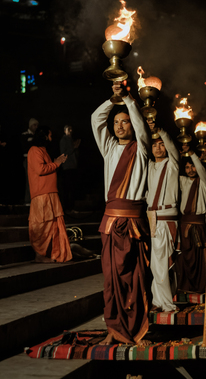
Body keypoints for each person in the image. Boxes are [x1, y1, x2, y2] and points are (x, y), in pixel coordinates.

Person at [91, 83, 152, 345]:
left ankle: (139, 330)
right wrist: (112, 99)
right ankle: (113, 329)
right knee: (111, 281)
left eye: (124, 122)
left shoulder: (142, 149)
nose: (119, 126)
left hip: (133, 224)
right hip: (110, 223)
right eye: (116, 122)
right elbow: (96, 119)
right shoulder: (109, 149)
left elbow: (141, 125)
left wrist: (128, 99)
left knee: (137, 279)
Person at [146, 123, 179, 312]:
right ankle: (158, 300)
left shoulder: (172, 163)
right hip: (152, 217)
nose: (159, 148)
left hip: (166, 217)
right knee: (155, 264)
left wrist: (160, 130)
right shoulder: (150, 166)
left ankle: (165, 302)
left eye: (161, 144)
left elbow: (172, 147)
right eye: (155, 145)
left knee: (163, 261)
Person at [27, 126, 72, 263]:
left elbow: (47, 167)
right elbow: (40, 169)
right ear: (44, 136)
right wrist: (56, 164)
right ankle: (40, 255)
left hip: (50, 192)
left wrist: (55, 163)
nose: (51, 139)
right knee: (42, 226)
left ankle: (54, 253)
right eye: (50, 136)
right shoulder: (34, 150)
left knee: (53, 226)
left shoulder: (43, 150)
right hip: (42, 193)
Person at [176, 145, 206, 293]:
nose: (190, 170)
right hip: (184, 224)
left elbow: (202, 170)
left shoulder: (203, 183)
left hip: (197, 224)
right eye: (188, 167)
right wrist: (181, 156)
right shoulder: (183, 181)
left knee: (198, 257)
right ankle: (186, 287)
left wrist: (192, 153)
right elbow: (173, 170)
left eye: (193, 167)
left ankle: (199, 287)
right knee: (185, 257)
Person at [59, 125, 81, 211]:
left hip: (73, 166)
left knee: (72, 188)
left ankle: (71, 207)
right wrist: (74, 147)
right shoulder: (63, 140)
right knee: (67, 188)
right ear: (64, 131)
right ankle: (67, 208)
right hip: (67, 167)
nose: (70, 131)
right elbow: (63, 153)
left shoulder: (71, 139)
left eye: (71, 129)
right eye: (68, 129)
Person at [21, 118, 39, 204]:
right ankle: (28, 200)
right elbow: (24, 147)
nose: (36, 127)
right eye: (34, 125)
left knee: (36, 180)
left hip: (36, 160)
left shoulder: (37, 136)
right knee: (29, 180)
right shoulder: (25, 135)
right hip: (28, 159)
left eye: (37, 125)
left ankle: (34, 199)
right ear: (30, 126)